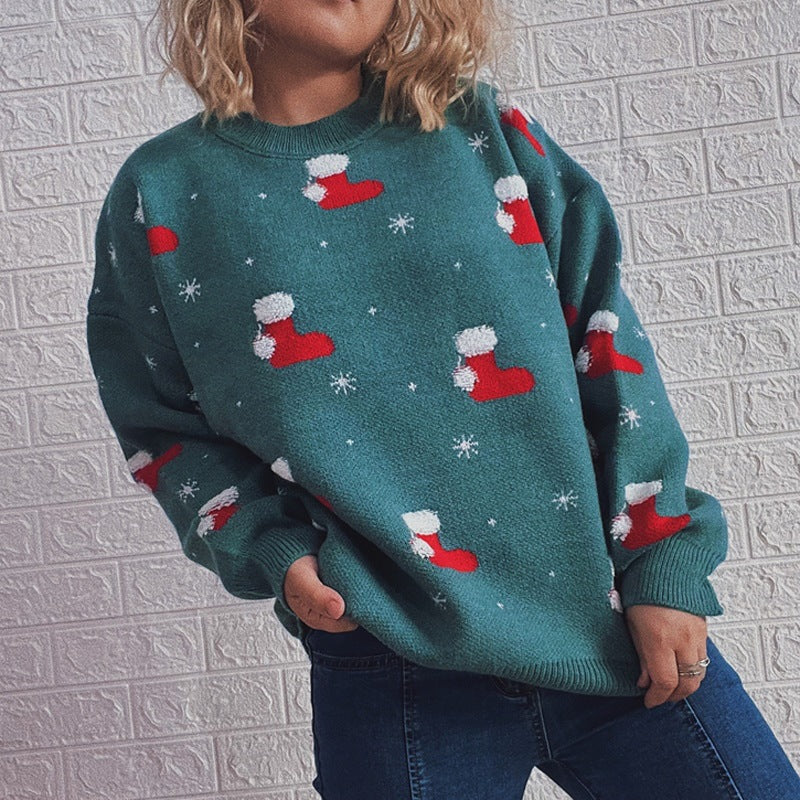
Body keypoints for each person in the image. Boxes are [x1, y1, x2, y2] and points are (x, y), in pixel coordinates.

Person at [85, 0, 800, 797]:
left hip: (610, 621)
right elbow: (161, 424)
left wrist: (662, 560)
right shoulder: (163, 193)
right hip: (389, 655)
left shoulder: (483, 133)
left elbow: (608, 348)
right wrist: (276, 552)